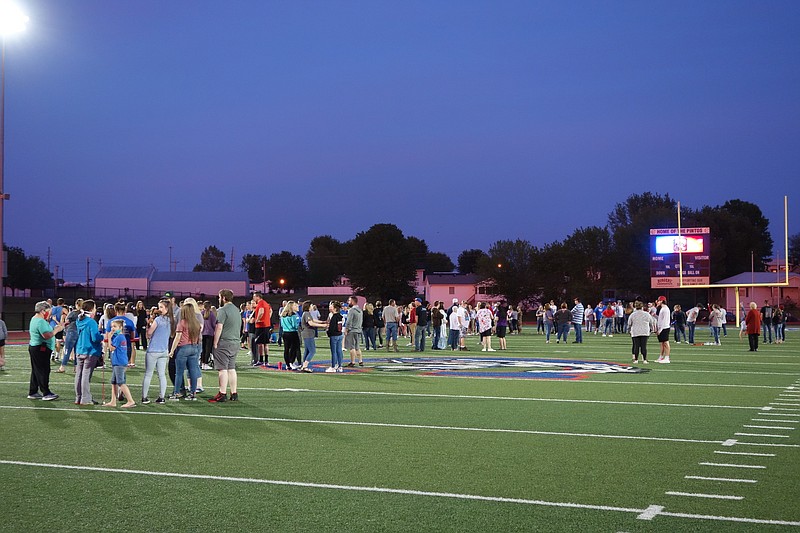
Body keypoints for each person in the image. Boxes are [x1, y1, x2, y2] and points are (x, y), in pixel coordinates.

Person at [208, 289, 241, 403]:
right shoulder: (237, 310)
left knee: (222, 369)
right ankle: (234, 392)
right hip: (235, 341)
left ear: (223, 298)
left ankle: (222, 393)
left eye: (219, 297)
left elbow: (219, 327)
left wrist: (215, 342)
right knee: (231, 369)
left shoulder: (222, 310)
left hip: (224, 341)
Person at [28, 301, 63, 401]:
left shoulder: (35, 319)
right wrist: (56, 330)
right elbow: (46, 335)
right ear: (43, 311)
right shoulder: (40, 321)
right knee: (43, 370)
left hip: (36, 347)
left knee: (36, 370)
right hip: (40, 349)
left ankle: (33, 391)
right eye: (48, 311)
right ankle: (46, 392)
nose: (49, 313)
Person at [168, 303, 203, 400]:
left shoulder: (182, 323)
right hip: (194, 347)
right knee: (193, 371)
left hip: (183, 348)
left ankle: (176, 393)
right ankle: (192, 394)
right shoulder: (196, 323)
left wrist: (171, 351)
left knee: (179, 372)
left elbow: (177, 337)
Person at [141, 299, 172, 405]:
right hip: (164, 350)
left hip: (153, 350)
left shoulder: (158, 320)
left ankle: (144, 397)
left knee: (148, 374)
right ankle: (162, 397)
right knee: (162, 375)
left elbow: (149, 333)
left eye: (161, 307)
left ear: (167, 308)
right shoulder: (172, 320)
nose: (159, 309)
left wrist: (148, 327)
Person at [74, 300, 104, 405]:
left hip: (80, 349)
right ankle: (85, 398)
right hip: (90, 350)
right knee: (86, 375)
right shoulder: (91, 322)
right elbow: (95, 338)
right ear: (91, 309)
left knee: (79, 375)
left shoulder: (79, 320)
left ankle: (78, 397)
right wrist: (102, 336)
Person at [102, 319, 136, 408]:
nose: (112, 328)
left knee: (121, 382)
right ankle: (113, 401)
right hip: (117, 362)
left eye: (115, 326)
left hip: (119, 362)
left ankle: (130, 400)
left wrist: (109, 338)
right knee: (114, 382)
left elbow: (112, 348)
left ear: (120, 328)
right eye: (112, 326)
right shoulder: (119, 337)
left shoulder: (119, 337)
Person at [298, 301, 328, 372]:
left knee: (307, 351)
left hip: (307, 334)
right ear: (308, 306)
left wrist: (322, 322)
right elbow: (311, 323)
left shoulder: (306, 314)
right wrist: (323, 325)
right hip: (308, 334)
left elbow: (313, 320)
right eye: (311, 305)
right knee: (312, 351)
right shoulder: (307, 313)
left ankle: (303, 365)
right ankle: (305, 366)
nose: (312, 306)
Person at [57, 299, 83, 373]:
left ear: (76, 304)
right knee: (77, 351)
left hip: (71, 332)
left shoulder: (73, 313)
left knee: (67, 350)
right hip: (80, 333)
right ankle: (76, 367)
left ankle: (62, 367)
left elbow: (67, 322)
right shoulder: (83, 314)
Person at [250, 291, 272, 366]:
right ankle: (266, 360)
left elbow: (261, 312)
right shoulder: (266, 303)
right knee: (266, 343)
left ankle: (261, 360)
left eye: (254, 297)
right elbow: (270, 311)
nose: (253, 298)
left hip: (261, 326)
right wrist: (268, 319)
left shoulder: (261, 303)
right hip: (266, 325)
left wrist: (257, 320)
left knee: (260, 344)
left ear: (258, 297)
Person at [280, 301, 301, 370]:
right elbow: (294, 325)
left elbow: (282, 325)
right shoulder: (293, 315)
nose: (296, 307)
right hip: (292, 333)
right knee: (295, 349)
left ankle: (287, 364)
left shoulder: (282, 315)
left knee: (286, 349)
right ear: (291, 307)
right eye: (295, 306)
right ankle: (291, 362)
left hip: (285, 333)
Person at [344, 296, 364, 367]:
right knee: (357, 346)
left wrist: (346, 329)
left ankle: (352, 362)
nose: (348, 302)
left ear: (352, 301)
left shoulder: (352, 310)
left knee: (352, 347)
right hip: (358, 330)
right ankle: (360, 361)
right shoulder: (360, 310)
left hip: (352, 330)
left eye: (349, 301)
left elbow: (349, 321)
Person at [326, 301, 344, 372]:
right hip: (340, 335)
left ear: (335, 308)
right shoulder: (340, 316)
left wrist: (328, 333)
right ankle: (340, 366)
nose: (330, 307)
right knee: (339, 351)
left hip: (334, 336)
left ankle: (333, 367)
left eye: (331, 306)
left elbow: (332, 328)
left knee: (334, 352)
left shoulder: (334, 316)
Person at [201, 301, 217, 370]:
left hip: (202, 333)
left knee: (203, 349)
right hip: (210, 334)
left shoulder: (201, 313)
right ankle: (206, 364)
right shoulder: (212, 314)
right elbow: (214, 325)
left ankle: (202, 363)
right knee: (208, 350)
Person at [655, 296, 671, 363]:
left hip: (664, 328)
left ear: (661, 301)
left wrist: (660, 330)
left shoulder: (665, 309)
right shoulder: (662, 308)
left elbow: (664, 321)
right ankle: (661, 357)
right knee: (661, 343)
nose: (657, 302)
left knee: (666, 343)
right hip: (662, 327)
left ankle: (667, 358)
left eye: (658, 301)